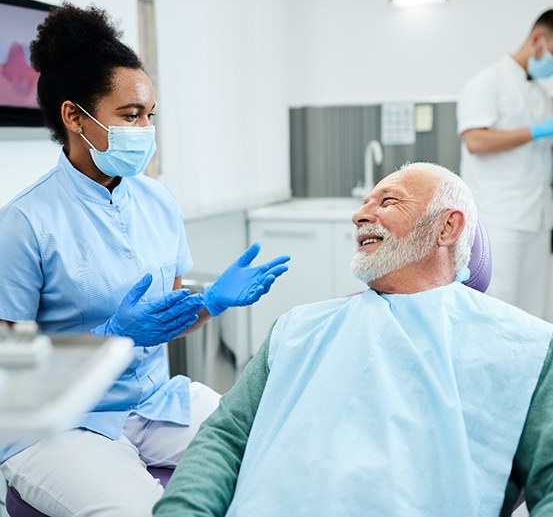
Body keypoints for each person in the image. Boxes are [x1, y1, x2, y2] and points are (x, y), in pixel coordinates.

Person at [0, 3, 289, 517]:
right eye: (130, 116)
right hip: (58, 422)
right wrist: (111, 336)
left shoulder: (159, 201)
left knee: (279, 448)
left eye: (149, 115)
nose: (145, 129)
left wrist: (211, 301)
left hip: (154, 402)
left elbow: (168, 319)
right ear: (74, 116)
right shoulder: (24, 223)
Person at [153, 162, 553, 517]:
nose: (360, 215)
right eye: (365, 203)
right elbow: (226, 438)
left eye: (389, 201)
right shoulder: (299, 328)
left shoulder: (527, 348)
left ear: (447, 227)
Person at [457, 9, 553, 319]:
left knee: (535, 313)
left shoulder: (543, 94)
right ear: (539, 40)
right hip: (499, 219)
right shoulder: (487, 82)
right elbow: (476, 142)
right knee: (498, 310)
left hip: (538, 219)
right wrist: (536, 131)